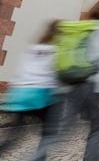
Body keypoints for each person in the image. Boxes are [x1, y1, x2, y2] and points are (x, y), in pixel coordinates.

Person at [34, 0, 99, 160]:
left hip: (75, 83)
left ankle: (36, 157)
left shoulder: (85, 25)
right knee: (97, 130)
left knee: (60, 128)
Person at [0, 21, 61, 158]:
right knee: (49, 132)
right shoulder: (56, 50)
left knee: (14, 135)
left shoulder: (32, 48)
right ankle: (38, 158)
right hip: (41, 94)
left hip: (21, 93)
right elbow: (55, 74)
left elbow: (20, 71)